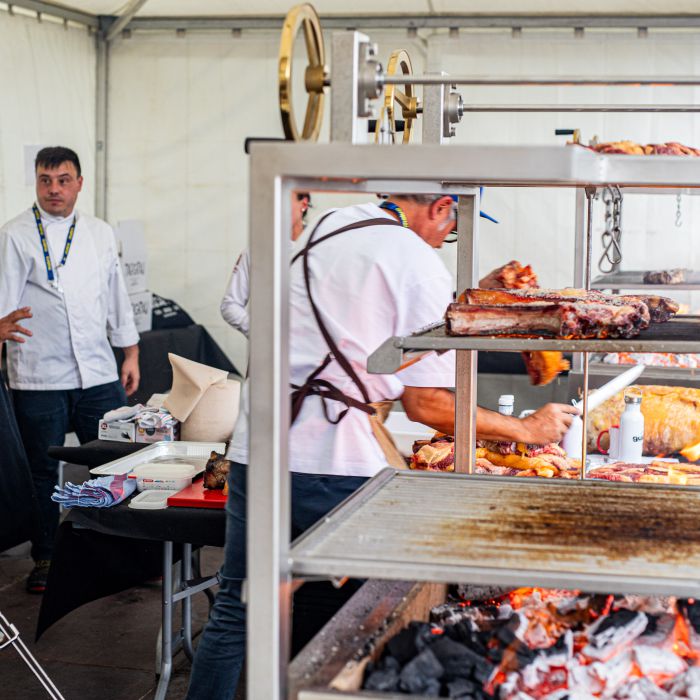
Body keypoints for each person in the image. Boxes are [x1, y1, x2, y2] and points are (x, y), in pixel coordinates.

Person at [186, 194, 578, 699]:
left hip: (257, 450)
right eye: (452, 228)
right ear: (438, 207)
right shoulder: (415, 260)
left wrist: (472, 297)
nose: (444, 240)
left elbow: (365, 336)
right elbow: (428, 406)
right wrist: (528, 430)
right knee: (364, 620)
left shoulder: (324, 229)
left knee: (237, 611)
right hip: (333, 461)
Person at [0, 146, 141, 594]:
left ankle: (122, 551)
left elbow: (116, 295)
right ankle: (46, 556)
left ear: (80, 182)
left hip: (98, 371)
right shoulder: (15, 235)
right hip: (39, 374)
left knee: (118, 459)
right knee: (44, 471)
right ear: (36, 183)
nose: (54, 188)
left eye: (63, 179)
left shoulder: (99, 233)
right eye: (46, 180)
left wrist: (131, 352)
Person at [220, 192, 310, 337]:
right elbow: (230, 305)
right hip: (267, 354)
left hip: (312, 353)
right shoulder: (258, 250)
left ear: (304, 204)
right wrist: (261, 333)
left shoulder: (320, 248)